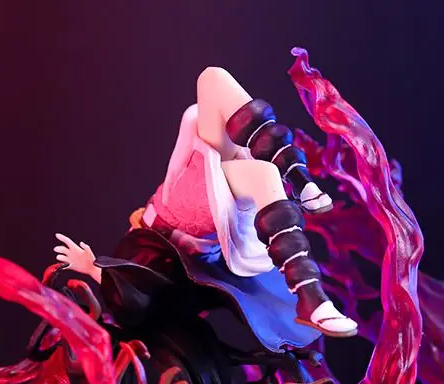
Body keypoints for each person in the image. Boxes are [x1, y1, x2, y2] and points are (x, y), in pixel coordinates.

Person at [54, 66, 358, 339]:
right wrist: (92, 269)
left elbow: (133, 292)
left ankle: (300, 187)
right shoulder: (141, 285)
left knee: (212, 79)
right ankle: (298, 187)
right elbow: (133, 300)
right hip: (184, 215)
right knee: (263, 171)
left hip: (193, 201)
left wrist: (94, 268)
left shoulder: (141, 261)